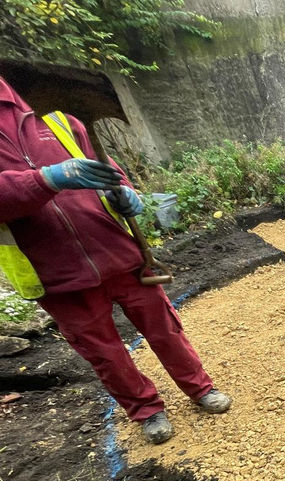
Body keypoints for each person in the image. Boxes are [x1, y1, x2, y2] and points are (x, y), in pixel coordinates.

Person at [0, 75, 230, 444]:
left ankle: (200, 388)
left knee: (165, 329)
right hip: (54, 273)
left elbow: (107, 169)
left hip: (117, 251)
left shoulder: (54, 112)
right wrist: (46, 180)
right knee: (104, 352)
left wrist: (123, 193)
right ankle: (146, 410)